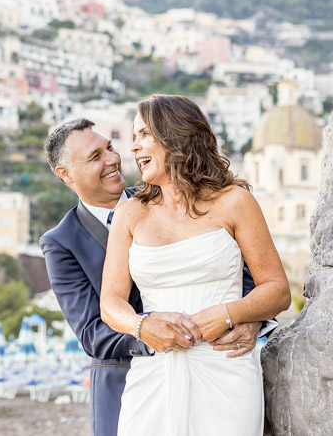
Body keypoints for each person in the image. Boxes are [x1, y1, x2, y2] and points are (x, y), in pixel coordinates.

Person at [40, 117, 273, 436]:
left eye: (109, 147)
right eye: (95, 156)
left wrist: (250, 320)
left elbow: (240, 273)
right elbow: (92, 332)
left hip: (219, 364)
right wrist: (151, 332)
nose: (112, 159)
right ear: (64, 174)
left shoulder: (168, 195)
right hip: (126, 386)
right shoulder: (60, 242)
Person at [99, 95, 291, 435]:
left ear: (175, 135)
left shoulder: (235, 202)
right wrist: (142, 327)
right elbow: (111, 304)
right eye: (133, 137)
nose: (134, 147)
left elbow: (277, 291)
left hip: (225, 368)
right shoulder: (129, 213)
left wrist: (228, 314)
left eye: (143, 135)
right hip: (153, 373)